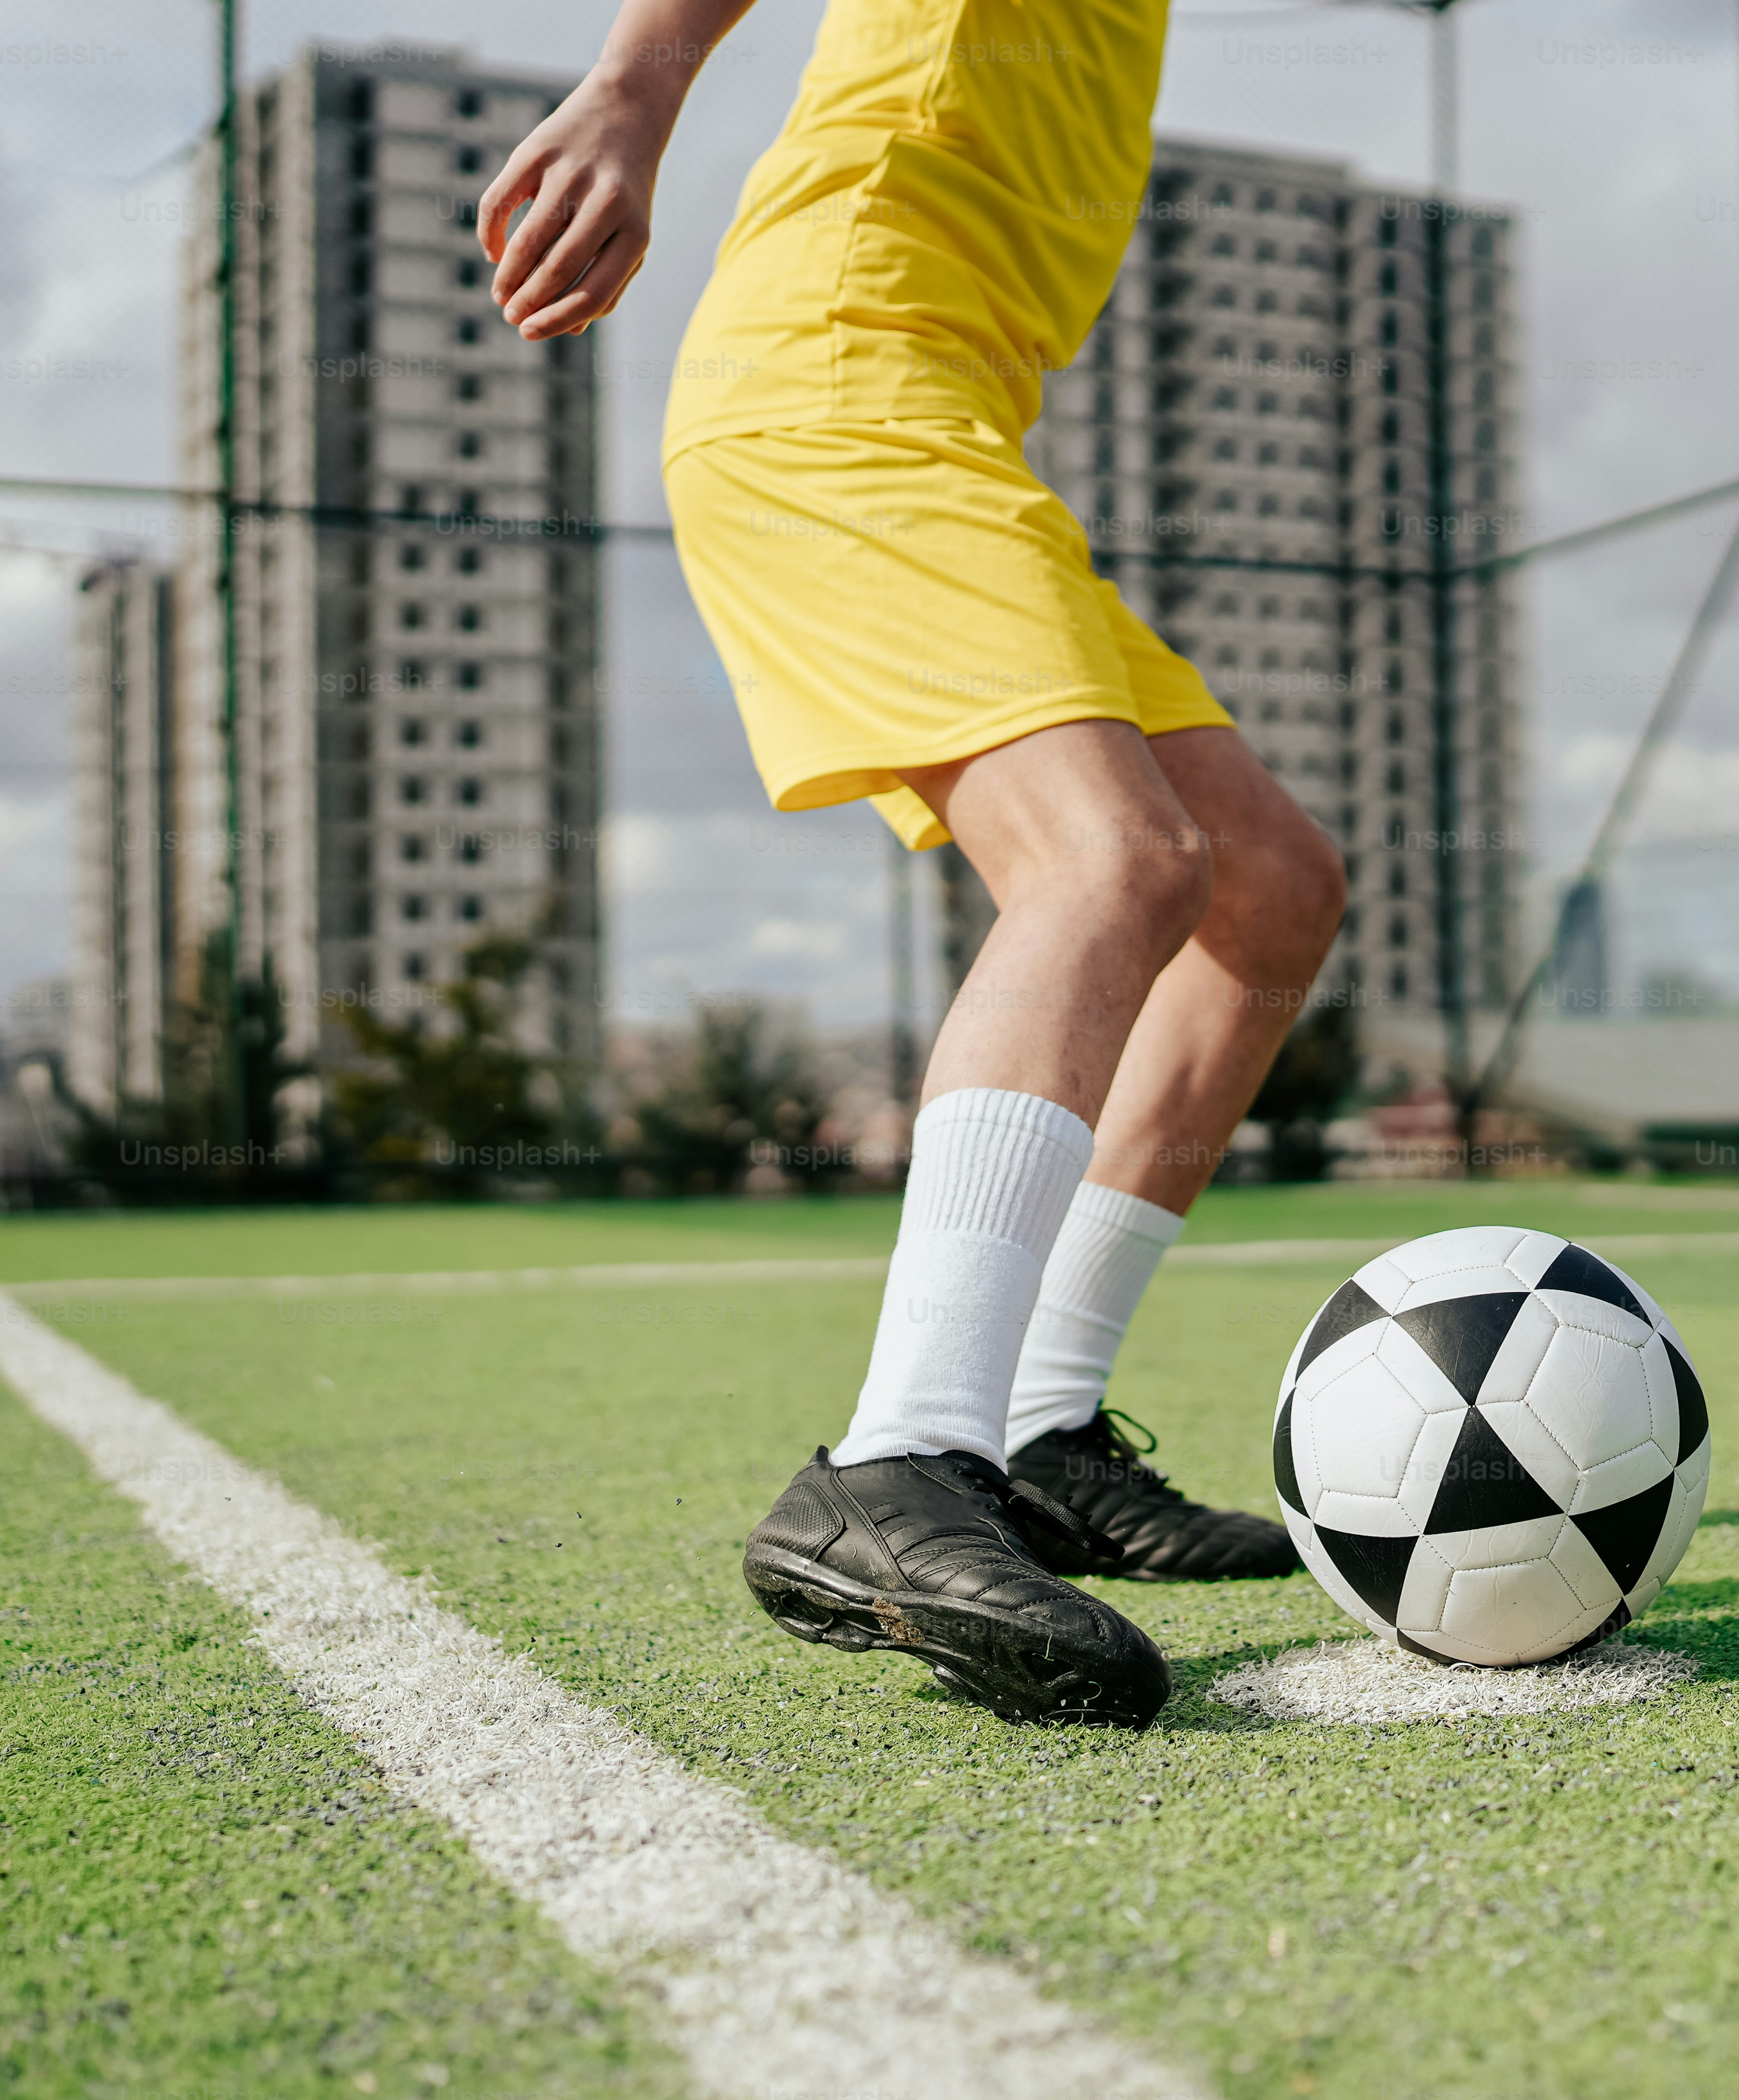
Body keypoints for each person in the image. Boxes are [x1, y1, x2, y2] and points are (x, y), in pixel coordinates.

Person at [478, 0, 1345, 1729]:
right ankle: (900, 1460)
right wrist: (635, 87)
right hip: (838, 384)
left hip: (945, 411)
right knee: (1112, 860)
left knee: (1267, 888)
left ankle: (1038, 1430)